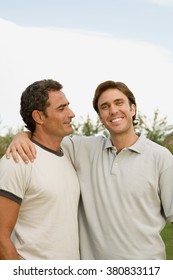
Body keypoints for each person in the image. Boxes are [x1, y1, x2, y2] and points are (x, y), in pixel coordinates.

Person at [6, 80, 173, 260]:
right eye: (105, 106)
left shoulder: (161, 158)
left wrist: (22, 136)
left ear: (132, 109)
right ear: (101, 118)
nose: (113, 111)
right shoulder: (82, 149)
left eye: (119, 103)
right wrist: (21, 136)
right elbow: (45, 135)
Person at [0, 79, 80, 260]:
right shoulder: (17, 162)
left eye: (68, 106)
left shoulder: (68, 154)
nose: (72, 114)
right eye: (62, 109)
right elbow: (1, 239)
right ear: (39, 117)